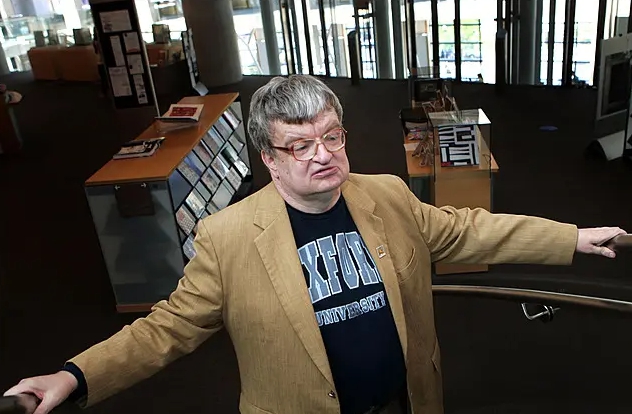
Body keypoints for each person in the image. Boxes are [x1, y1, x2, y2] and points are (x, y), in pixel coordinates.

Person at [4, 75, 626, 414]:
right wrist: (75, 376)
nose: (323, 155)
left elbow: (466, 230)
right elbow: (165, 330)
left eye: (331, 136)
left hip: (406, 400)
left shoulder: (386, 194)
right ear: (269, 159)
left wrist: (570, 238)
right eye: (300, 145)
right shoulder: (226, 237)